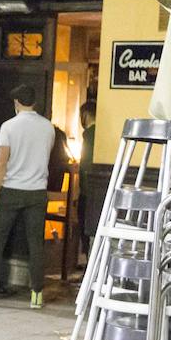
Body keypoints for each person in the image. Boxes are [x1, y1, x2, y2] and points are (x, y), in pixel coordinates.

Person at [0, 84, 56, 310]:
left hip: (11, 189)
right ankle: (37, 294)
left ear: (17, 103)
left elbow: (2, 162)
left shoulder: (9, 127)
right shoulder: (48, 127)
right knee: (35, 244)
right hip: (38, 191)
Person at [77, 100, 98, 259]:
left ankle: (87, 268)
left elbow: (85, 165)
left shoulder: (90, 135)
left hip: (89, 193)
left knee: (86, 228)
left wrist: (80, 191)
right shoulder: (100, 133)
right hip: (96, 191)